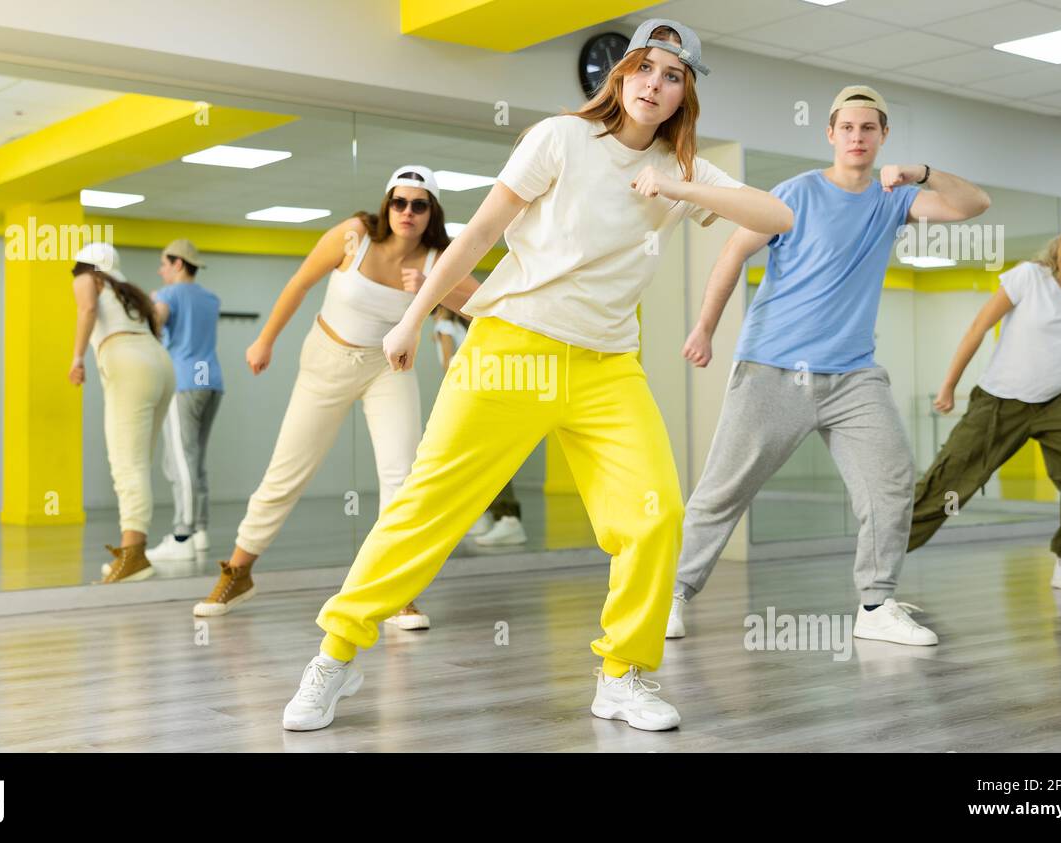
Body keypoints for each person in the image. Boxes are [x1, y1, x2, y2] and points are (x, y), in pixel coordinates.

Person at [279, 19, 792, 733]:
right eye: (644, 68)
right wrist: (412, 316)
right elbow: (481, 233)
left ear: (684, 96)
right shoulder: (560, 139)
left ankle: (624, 674)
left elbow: (778, 215)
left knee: (655, 513)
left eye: (672, 77)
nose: (654, 84)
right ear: (621, 76)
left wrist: (683, 187)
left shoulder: (686, 172)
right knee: (426, 506)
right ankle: (335, 655)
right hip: (511, 350)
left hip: (607, 367)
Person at [669, 85, 991, 646]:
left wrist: (921, 171)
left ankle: (875, 604)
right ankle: (669, 595)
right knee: (725, 487)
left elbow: (973, 206)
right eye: (848, 128)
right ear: (831, 134)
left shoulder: (894, 201)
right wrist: (704, 327)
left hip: (854, 375)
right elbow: (732, 254)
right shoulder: (796, 193)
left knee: (889, 481)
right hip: (773, 366)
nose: (858, 138)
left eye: (869, 129)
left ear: (883, 136)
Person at [192, 166, 474, 627]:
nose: (407, 212)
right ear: (387, 204)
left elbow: (481, 304)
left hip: (388, 368)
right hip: (325, 361)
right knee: (286, 472)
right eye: (399, 202)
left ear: (432, 212)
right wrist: (265, 340)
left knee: (401, 477)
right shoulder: (353, 236)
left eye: (419, 205)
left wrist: (433, 290)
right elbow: (300, 283)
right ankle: (238, 571)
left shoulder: (437, 258)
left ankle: (395, 589)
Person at [908, 212, 1061, 593]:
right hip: (1000, 401)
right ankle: (885, 551)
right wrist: (949, 385)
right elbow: (978, 327)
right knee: (950, 482)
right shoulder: (1028, 277)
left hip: (1059, 401)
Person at [68, 243, 176, 583]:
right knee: (139, 461)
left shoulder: (89, 278)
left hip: (127, 363)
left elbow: (86, 310)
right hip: (160, 364)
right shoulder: (128, 291)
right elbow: (157, 322)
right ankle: (133, 550)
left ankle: (133, 554)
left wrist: (77, 358)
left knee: (126, 464)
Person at [147, 239, 224, 562]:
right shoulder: (210, 298)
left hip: (184, 381)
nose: (161, 270)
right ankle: (201, 532)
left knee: (179, 460)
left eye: (164, 263)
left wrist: (150, 317)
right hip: (210, 380)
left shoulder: (168, 294)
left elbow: (158, 320)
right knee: (194, 459)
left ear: (178, 264)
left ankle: (182, 534)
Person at [432, 306, 527, 547]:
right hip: (490, 391)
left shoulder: (443, 328)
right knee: (485, 458)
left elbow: (448, 366)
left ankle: (506, 518)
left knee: (480, 460)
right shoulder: (468, 325)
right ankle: (488, 516)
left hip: (469, 397)